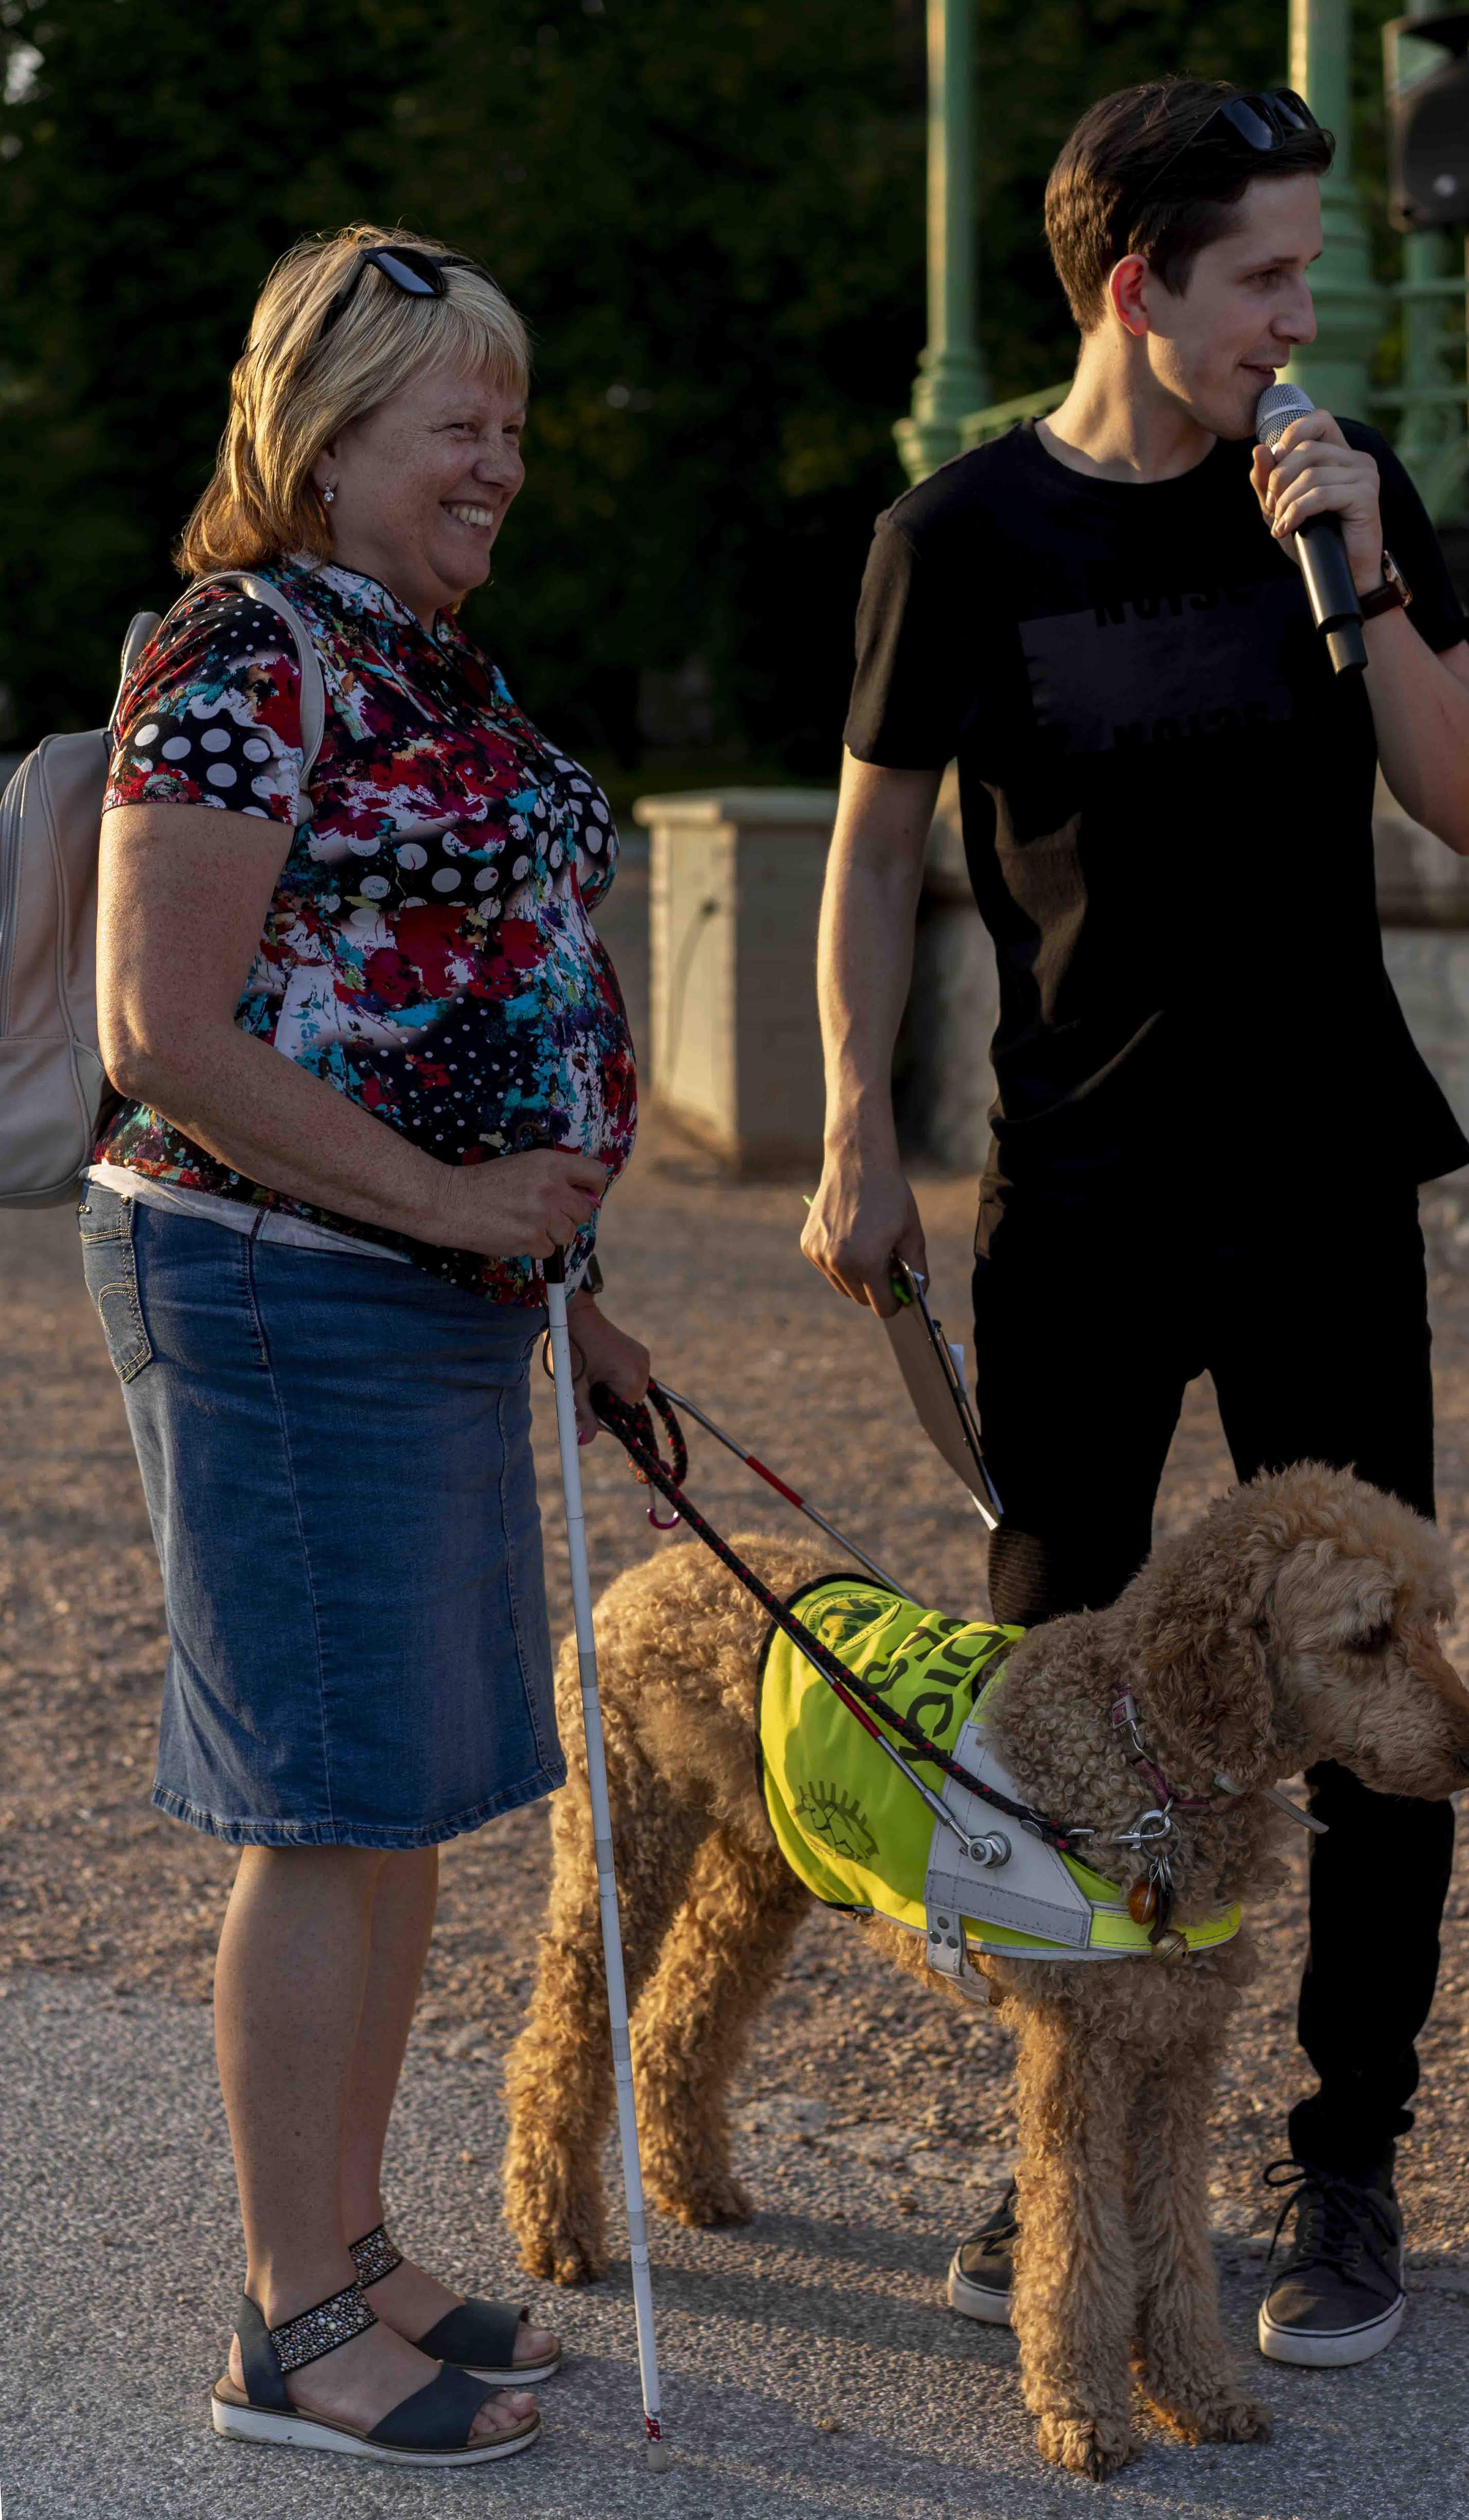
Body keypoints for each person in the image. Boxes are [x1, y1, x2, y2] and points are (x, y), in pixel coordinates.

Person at [801, 78, 1469, 2372]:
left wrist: (1365, 568)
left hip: (1320, 1184)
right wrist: (850, 1126)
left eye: (1307, 270)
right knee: (1054, 1692)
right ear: (1137, 286)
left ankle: (1345, 2156)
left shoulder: (1340, 494)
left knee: (1376, 1678)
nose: (1302, 318)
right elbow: (869, 852)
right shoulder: (959, 534)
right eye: (1265, 279)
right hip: (1082, 1200)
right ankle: (1070, 2157)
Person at [84, 224, 646, 2466]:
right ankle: (293, 2323)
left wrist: (567, 1283)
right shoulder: (242, 651)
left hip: (422, 1293)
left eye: (512, 423)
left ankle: (350, 2245)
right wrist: (450, 1207)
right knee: (327, 1806)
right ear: (324, 441)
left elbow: (497, 989)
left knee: (395, 1795)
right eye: (457, 424)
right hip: (277, 1281)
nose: (501, 461)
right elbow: (162, 1029)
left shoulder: (420, 655)